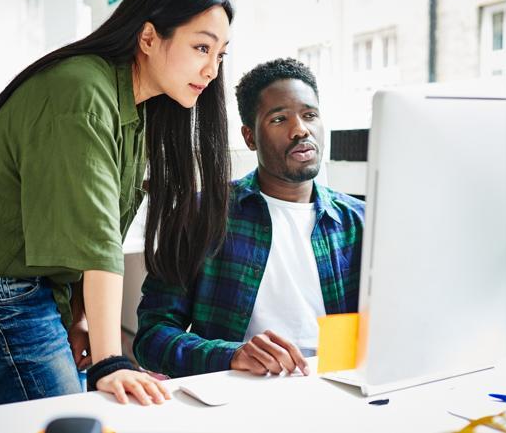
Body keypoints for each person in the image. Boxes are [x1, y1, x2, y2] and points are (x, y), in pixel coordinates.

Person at [0, 0, 233, 406]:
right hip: (2, 295)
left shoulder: (137, 108)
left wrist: (81, 317)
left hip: (38, 289)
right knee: (71, 417)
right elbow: (98, 240)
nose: (211, 70)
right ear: (149, 37)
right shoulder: (81, 92)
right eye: (201, 48)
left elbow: (89, 230)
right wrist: (109, 360)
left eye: (220, 55)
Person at [134, 58, 365, 378]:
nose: (301, 130)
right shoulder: (201, 215)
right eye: (279, 119)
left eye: (310, 115)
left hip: (337, 388)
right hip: (239, 393)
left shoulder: (360, 223)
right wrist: (230, 355)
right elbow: (152, 336)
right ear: (250, 137)